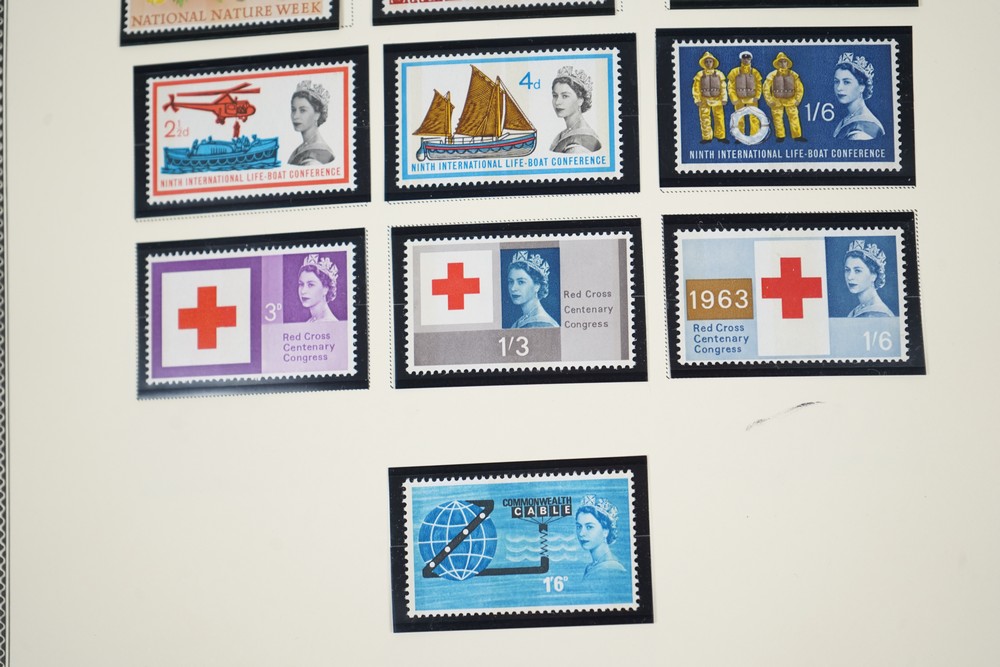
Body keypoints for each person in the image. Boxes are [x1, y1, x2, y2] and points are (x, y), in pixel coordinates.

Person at [550, 66, 602, 154]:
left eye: (565, 96)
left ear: (580, 100)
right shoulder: (563, 134)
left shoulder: (581, 142)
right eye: (555, 96)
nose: (557, 102)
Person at [833, 53, 885, 140]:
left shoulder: (863, 128)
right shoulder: (848, 117)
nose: (839, 88)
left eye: (846, 82)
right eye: (836, 81)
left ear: (862, 87)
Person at [576, 495, 626, 581]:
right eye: (579, 527)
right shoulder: (591, 567)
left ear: (605, 531)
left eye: (589, 527)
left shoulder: (612, 569)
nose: (581, 533)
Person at [506, 250, 558, 328]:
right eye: (511, 281)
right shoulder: (523, 320)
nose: (513, 288)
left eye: (521, 282)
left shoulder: (540, 323)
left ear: (537, 286)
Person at [844, 240, 894, 318]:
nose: (850, 277)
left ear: (874, 275)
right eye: (847, 270)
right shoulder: (857, 310)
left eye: (857, 271)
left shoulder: (877, 314)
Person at [289, 80, 334, 166]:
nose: (295, 116)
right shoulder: (301, 148)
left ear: (317, 114)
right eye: (293, 110)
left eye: (302, 110)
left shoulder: (319, 153)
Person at [763, 51, 805, 142]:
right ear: (778, 63)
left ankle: (797, 136)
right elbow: (766, 88)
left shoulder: (793, 75)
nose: (782, 63)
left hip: (791, 100)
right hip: (776, 100)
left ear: (787, 63)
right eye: (780, 62)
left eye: (784, 61)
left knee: (794, 117)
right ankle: (780, 136)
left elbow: (799, 88)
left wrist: (798, 99)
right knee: (777, 118)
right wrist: (769, 100)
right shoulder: (772, 75)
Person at [692, 51, 728, 143]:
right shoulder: (700, 74)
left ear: (713, 62)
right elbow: (696, 88)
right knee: (704, 119)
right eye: (706, 62)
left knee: (719, 118)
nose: (708, 63)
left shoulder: (719, 74)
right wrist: (697, 99)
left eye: (710, 61)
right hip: (704, 100)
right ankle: (707, 137)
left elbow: (723, 87)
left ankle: (721, 136)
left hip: (717, 99)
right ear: (704, 63)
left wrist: (724, 98)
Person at [727, 51, 763, 137]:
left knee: (754, 116)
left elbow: (759, 85)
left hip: (752, 98)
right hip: (739, 98)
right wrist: (734, 98)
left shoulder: (755, 72)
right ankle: (739, 136)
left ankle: (754, 136)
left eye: (748, 59)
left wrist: (757, 96)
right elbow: (730, 86)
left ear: (750, 60)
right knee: (739, 117)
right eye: (744, 58)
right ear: (741, 59)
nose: (746, 60)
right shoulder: (735, 71)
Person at [298, 253, 339, 322]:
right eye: (301, 284)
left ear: (325, 288)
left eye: (310, 285)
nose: (303, 291)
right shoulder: (310, 321)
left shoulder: (330, 323)